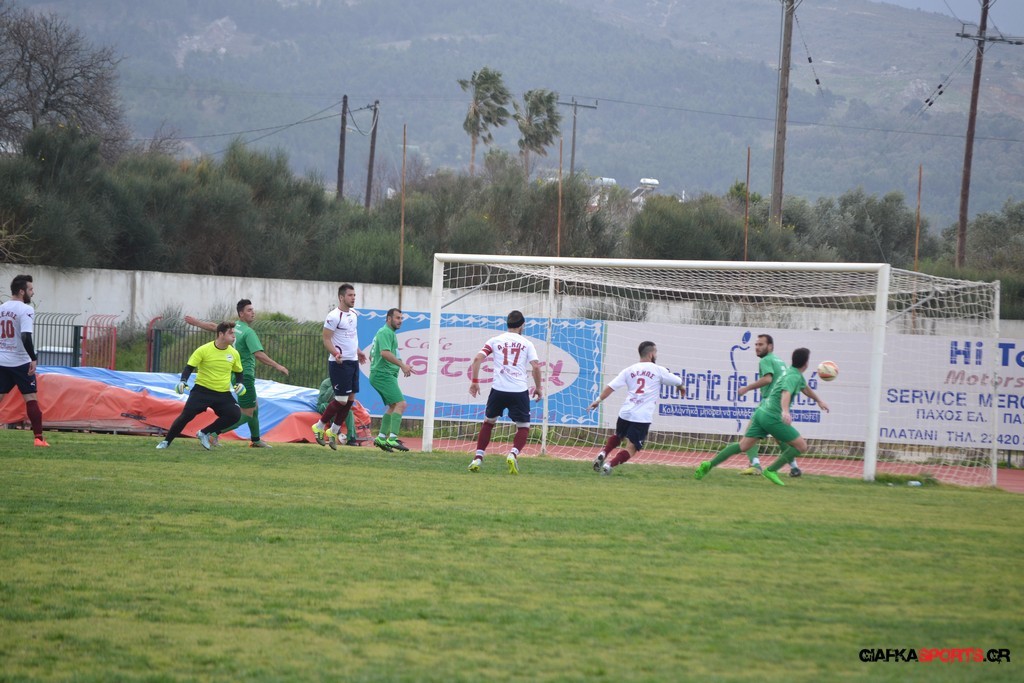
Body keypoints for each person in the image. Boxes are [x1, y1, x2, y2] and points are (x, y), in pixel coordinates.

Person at [694, 347, 830, 486]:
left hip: (762, 412)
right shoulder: (793, 376)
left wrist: (818, 400)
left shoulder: (792, 373)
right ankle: (771, 470)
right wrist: (785, 411)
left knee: (743, 445)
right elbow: (786, 392)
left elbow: (805, 388)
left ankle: (708, 464)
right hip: (772, 416)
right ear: (806, 363)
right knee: (801, 446)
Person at [185, 299, 289, 448]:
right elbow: (258, 354)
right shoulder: (248, 332)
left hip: (235, 375)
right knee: (247, 413)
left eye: (253, 310)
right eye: (249, 310)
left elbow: (214, 327)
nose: (253, 312)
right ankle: (211, 433)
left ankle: (256, 440)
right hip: (245, 376)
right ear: (241, 313)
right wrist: (278, 366)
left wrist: (197, 323)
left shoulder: (234, 327)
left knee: (254, 408)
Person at [588, 341, 685, 475]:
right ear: (651, 354)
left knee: (618, 436)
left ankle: (603, 453)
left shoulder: (629, 370)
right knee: (632, 448)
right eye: (655, 353)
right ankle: (609, 465)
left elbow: (611, 387)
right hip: (641, 416)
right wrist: (681, 387)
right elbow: (678, 381)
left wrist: (597, 401)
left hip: (626, 412)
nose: (656, 355)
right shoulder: (658, 370)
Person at [467, 310, 543, 475]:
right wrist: (539, 387)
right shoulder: (527, 343)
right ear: (522, 325)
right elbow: (536, 366)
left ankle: (478, 458)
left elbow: (477, 359)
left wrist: (475, 381)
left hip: (498, 390)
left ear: (507, 324)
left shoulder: (495, 340)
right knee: (523, 427)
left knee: (488, 423)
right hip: (519, 391)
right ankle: (513, 454)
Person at [157, 321, 246, 450]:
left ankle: (204, 432)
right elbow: (189, 367)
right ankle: (166, 442)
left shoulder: (234, 353)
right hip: (202, 391)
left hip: (223, 393)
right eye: (230, 333)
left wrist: (240, 383)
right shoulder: (204, 350)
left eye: (234, 333)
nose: (234, 336)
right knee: (186, 416)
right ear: (221, 334)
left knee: (235, 414)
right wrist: (183, 381)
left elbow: (239, 372)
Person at [721, 334, 801, 476]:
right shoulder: (779, 361)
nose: (757, 347)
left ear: (770, 346)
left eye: (761, 344)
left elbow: (767, 379)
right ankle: (794, 468)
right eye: (756, 345)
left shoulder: (766, 360)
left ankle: (755, 465)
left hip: (769, 404)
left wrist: (747, 388)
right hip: (778, 403)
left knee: (749, 434)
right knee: (779, 437)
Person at [311, 284, 368, 450]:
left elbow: (351, 337)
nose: (353, 298)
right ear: (341, 297)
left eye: (354, 295)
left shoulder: (354, 314)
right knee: (341, 400)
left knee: (350, 400)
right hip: (339, 363)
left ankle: (333, 431)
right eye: (350, 295)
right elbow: (326, 339)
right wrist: (335, 354)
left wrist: (358, 351)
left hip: (353, 362)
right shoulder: (333, 316)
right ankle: (319, 426)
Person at [0, 274, 47, 447]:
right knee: (31, 398)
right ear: (22, 291)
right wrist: (33, 358)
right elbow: (26, 336)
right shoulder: (26, 309)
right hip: (20, 362)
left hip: (2, 361)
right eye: (30, 289)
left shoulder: (2, 308)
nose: (32, 293)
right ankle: (39, 439)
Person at [369, 308, 413, 452]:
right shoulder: (386, 332)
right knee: (401, 404)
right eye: (397, 318)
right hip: (383, 375)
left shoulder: (387, 333)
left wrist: (400, 366)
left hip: (384, 374)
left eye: (401, 318)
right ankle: (392, 439)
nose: (400, 321)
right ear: (389, 319)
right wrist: (402, 366)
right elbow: (384, 353)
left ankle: (381, 438)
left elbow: (372, 354)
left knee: (394, 406)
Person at [317, 376, 360, 446]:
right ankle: (337, 431)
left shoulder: (346, 384)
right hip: (325, 405)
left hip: (339, 406)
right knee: (325, 406)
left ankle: (351, 438)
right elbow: (323, 400)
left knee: (349, 412)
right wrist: (333, 387)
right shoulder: (326, 383)